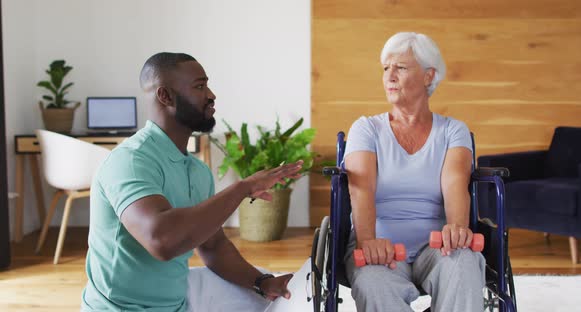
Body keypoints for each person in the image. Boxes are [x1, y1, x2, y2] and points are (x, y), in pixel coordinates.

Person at [81, 52, 303, 311]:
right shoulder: (130, 161)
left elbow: (213, 245)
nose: (211, 95)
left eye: (207, 85)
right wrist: (242, 188)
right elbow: (161, 241)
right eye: (199, 86)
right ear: (165, 96)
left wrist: (262, 282)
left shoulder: (196, 170)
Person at [343, 32, 485, 312]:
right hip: (379, 244)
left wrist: (456, 229)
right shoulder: (366, 129)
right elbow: (361, 190)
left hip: (436, 247)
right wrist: (367, 241)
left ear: (428, 76)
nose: (389, 76)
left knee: (464, 262)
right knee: (372, 281)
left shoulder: (452, 130)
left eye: (401, 67)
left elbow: (456, 183)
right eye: (386, 68)